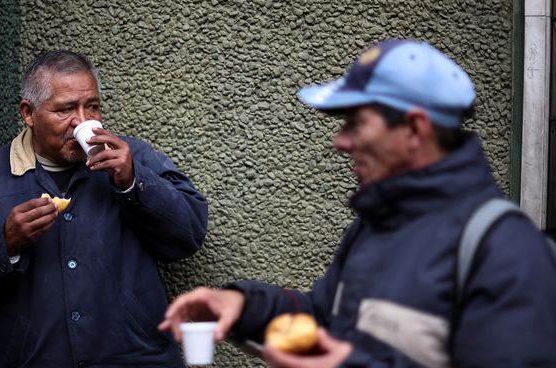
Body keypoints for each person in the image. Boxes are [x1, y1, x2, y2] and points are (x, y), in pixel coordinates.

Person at [158, 39, 556, 367]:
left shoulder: (507, 250)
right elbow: (323, 320)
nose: (340, 141)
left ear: (414, 130)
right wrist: (240, 304)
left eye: (355, 123)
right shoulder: (373, 226)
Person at [0, 50, 208, 367]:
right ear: (28, 113)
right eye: (66, 109)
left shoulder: (130, 156)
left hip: (136, 359)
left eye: (92, 106)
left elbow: (188, 234)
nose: (83, 121)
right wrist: (5, 241)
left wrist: (134, 181)